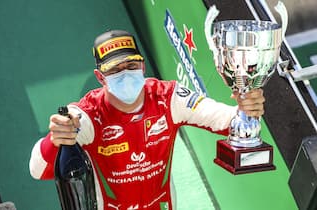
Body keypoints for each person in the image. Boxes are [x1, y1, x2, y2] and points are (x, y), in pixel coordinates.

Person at [29, 30, 265, 210]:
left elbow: (224, 119)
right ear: (100, 77)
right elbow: (37, 170)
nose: (126, 74)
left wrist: (246, 109)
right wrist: (57, 137)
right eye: (115, 70)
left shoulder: (169, 97)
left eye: (131, 65)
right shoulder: (88, 114)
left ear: (142, 65)